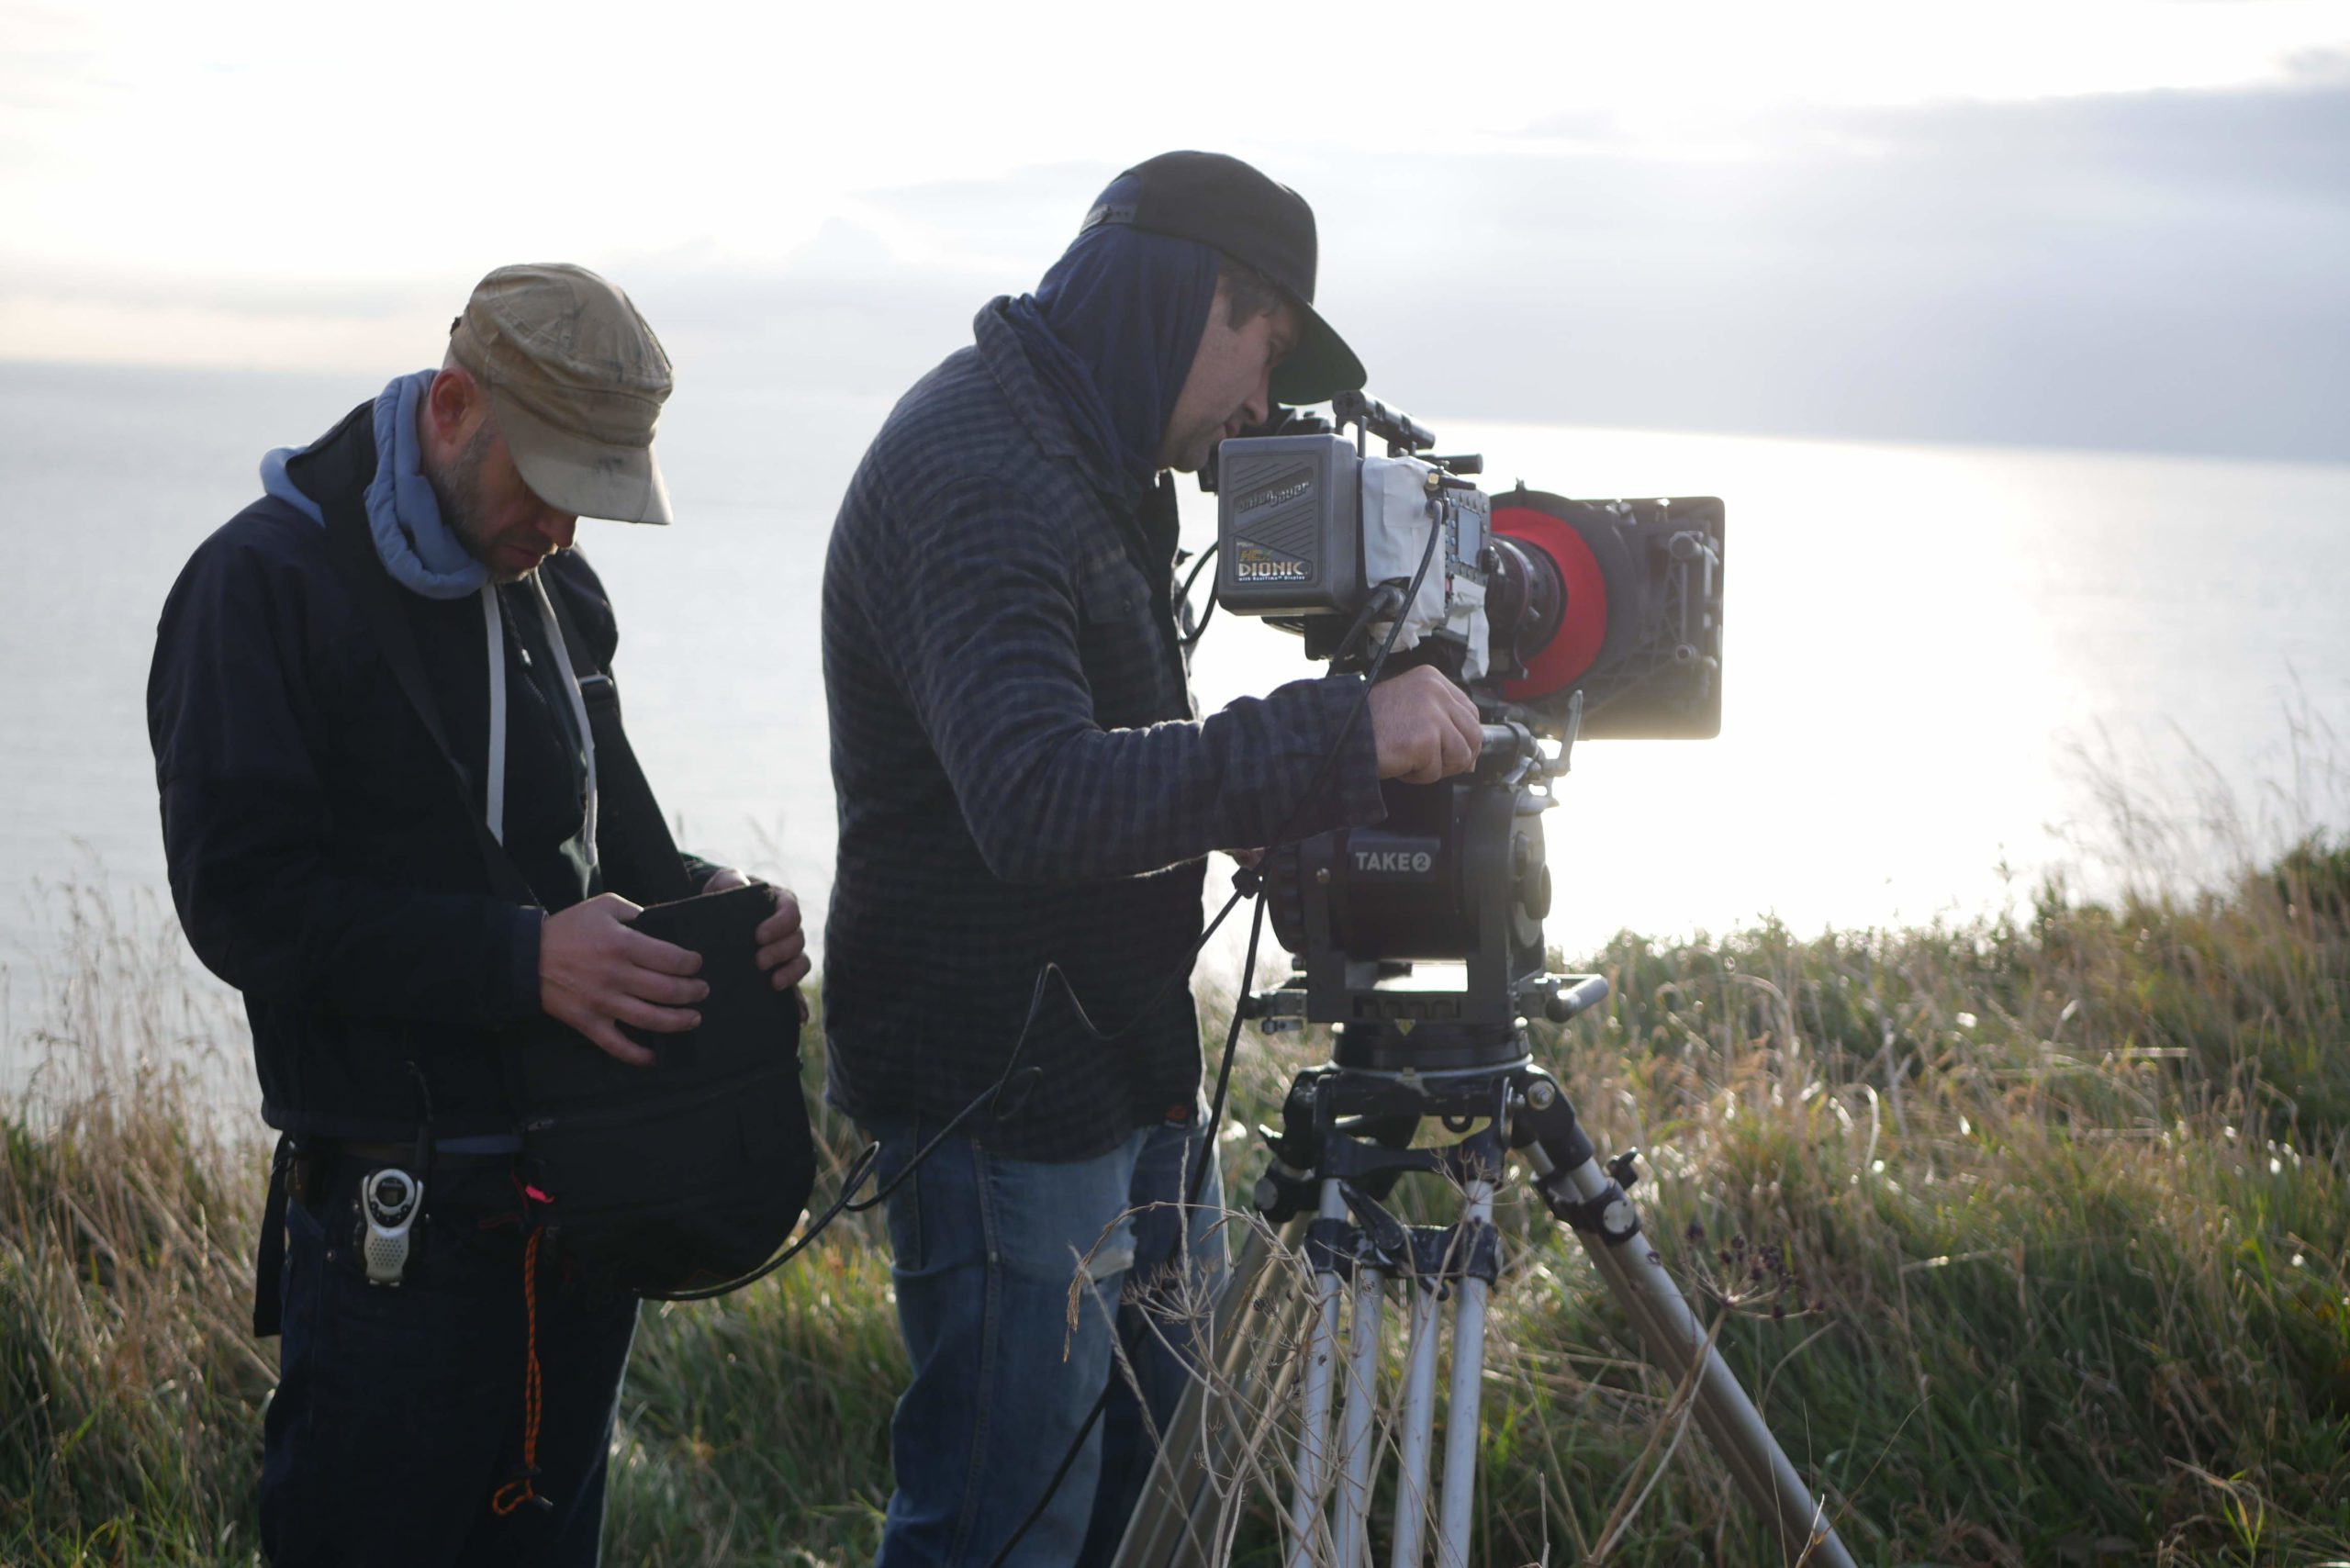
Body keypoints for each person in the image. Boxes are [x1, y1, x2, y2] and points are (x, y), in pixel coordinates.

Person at [822, 151, 1485, 1568]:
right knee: (1004, 1533)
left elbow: (1102, 761)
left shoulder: (1091, 457)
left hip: (1118, 1077)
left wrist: (1249, 798)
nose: (1264, 410)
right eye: (1265, 355)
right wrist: (1334, 738)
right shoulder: (981, 470)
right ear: (1184, 293)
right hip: (1000, 1106)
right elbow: (1039, 801)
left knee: (1152, 1506)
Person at [147, 263, 811, 1566]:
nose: (565, 532)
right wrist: (523, 965)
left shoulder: (559, 593)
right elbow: (243, 906)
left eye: (595, 502)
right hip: (399, 1247)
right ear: (454, 406)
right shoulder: (258, 587)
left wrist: (723, 915)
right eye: (552, 487)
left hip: (580, 1223)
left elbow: (619, 850)